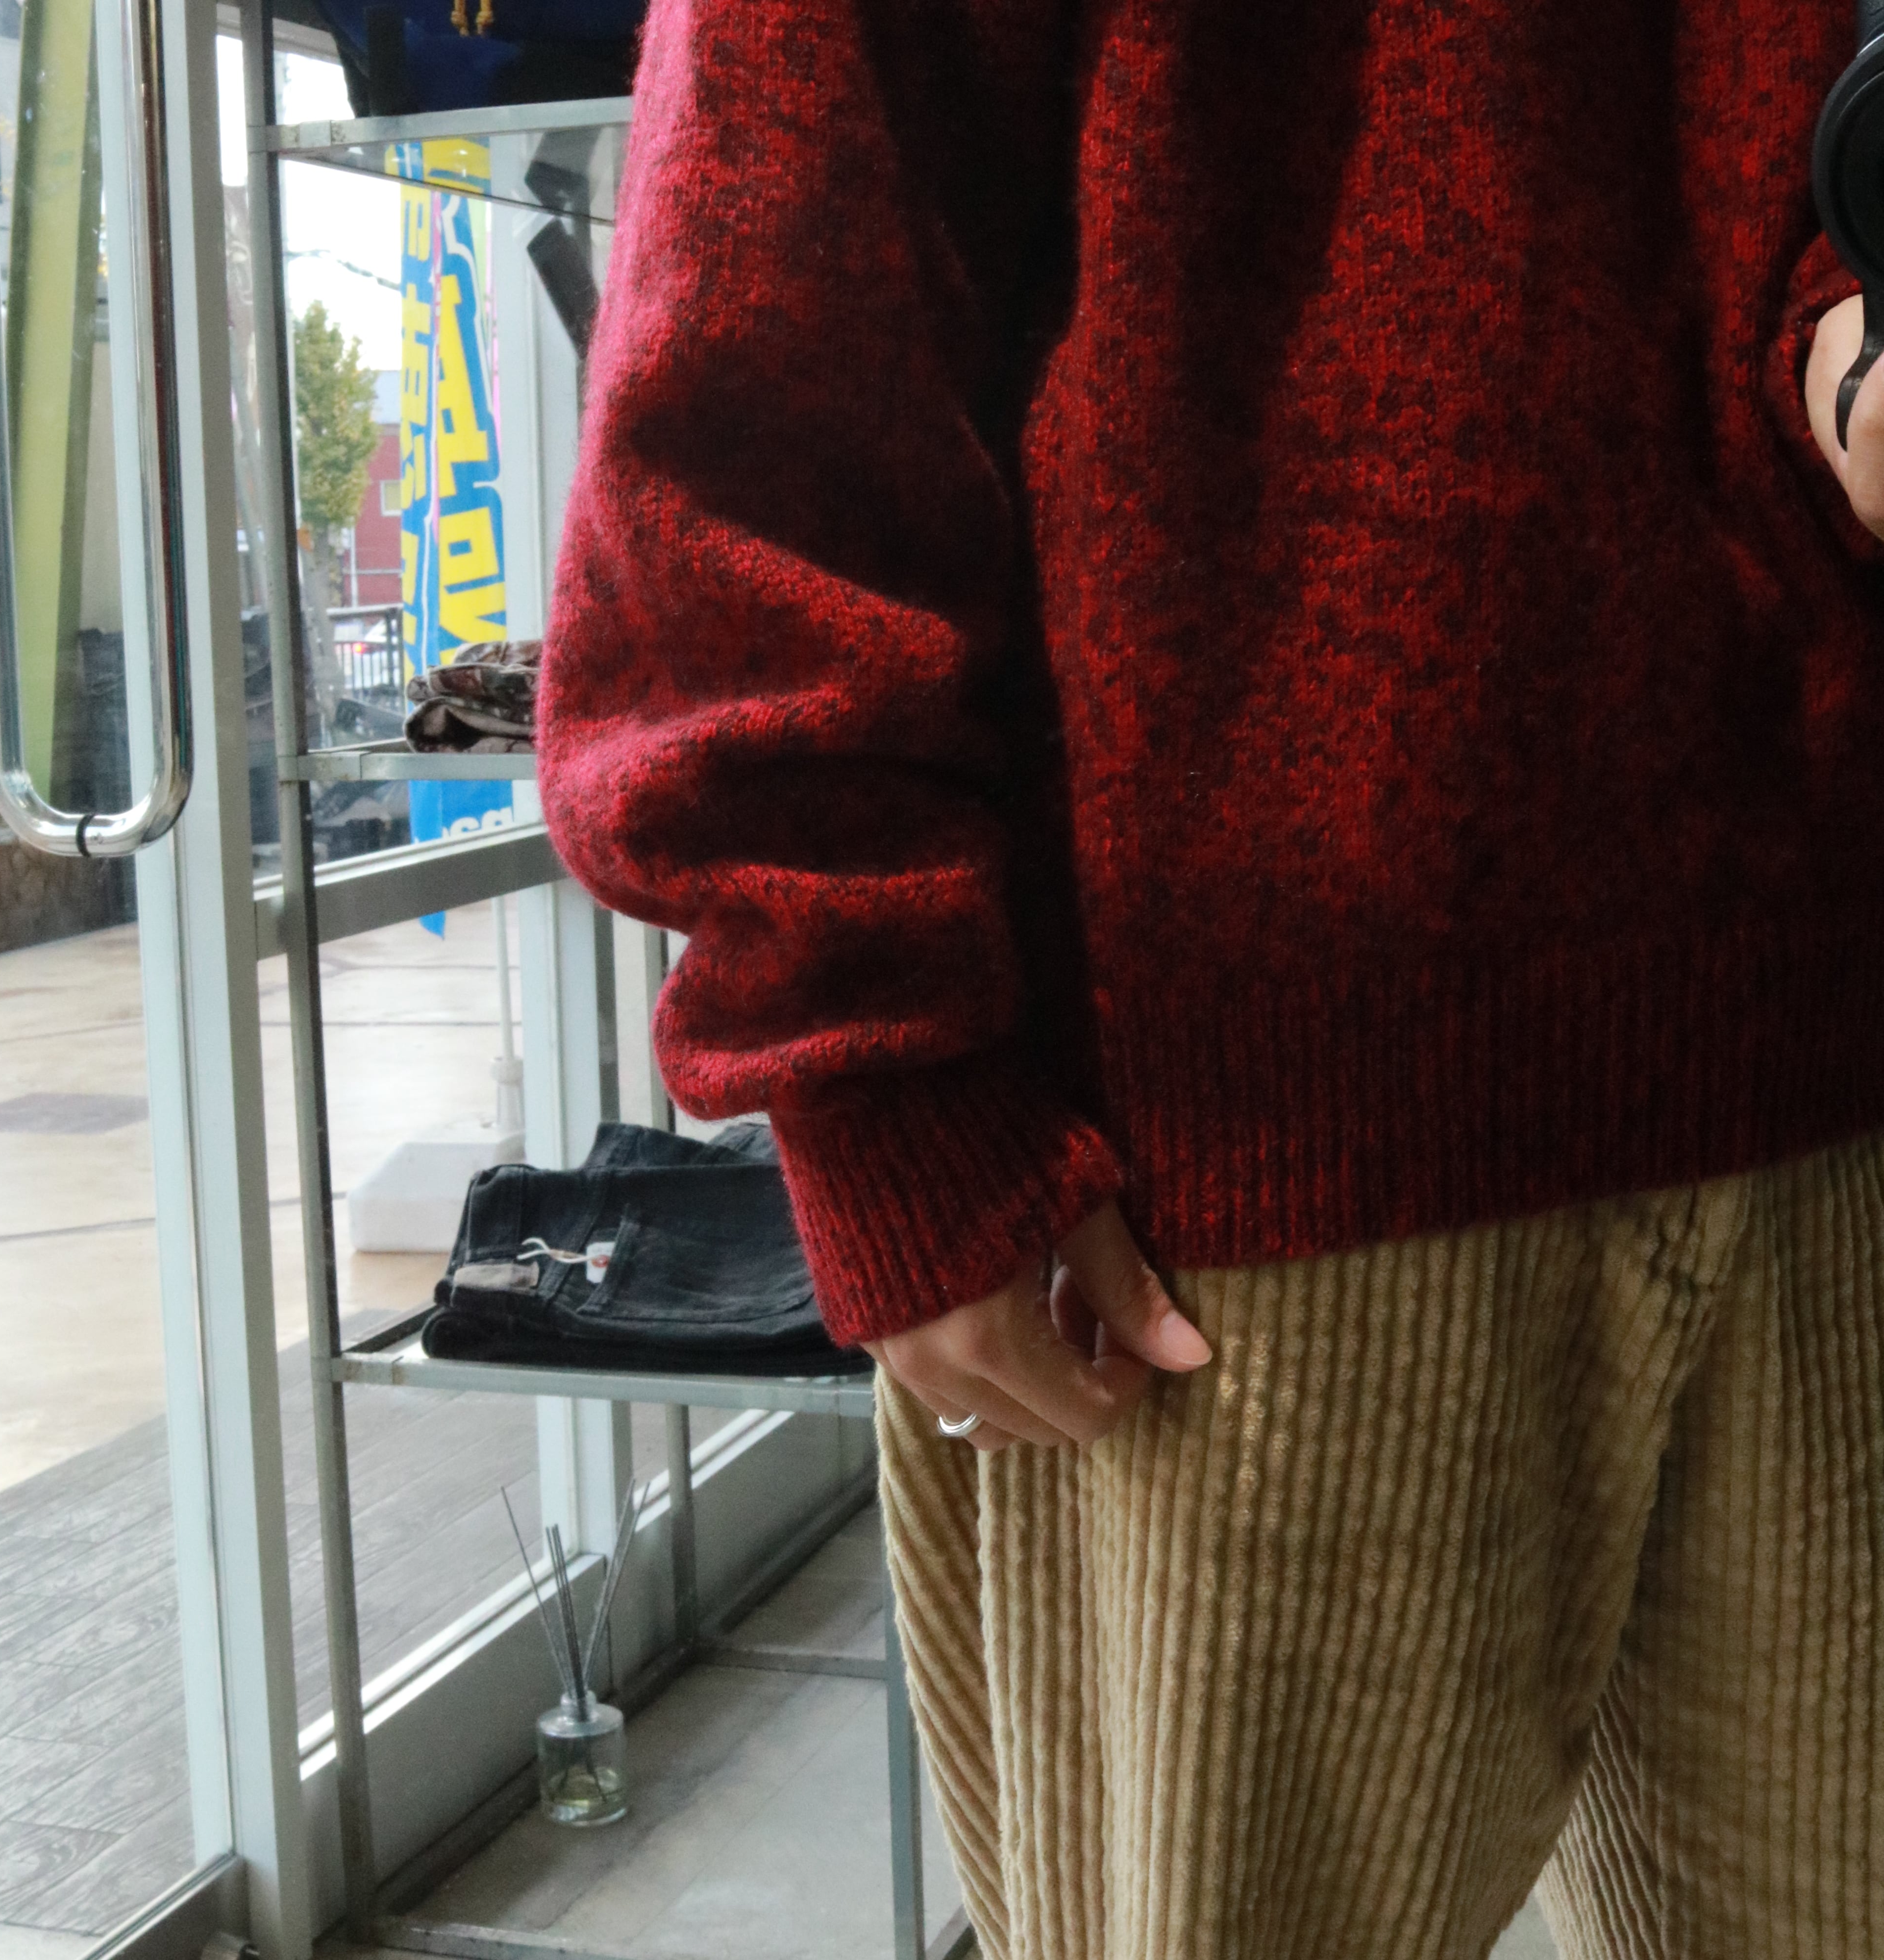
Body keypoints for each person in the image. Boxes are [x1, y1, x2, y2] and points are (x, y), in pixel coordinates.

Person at [537, 1, 1884, 1953]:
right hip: (1235, 1157)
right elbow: (776, 243)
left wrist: (1837, 329)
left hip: (1828, 1068)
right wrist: (873, 1062)